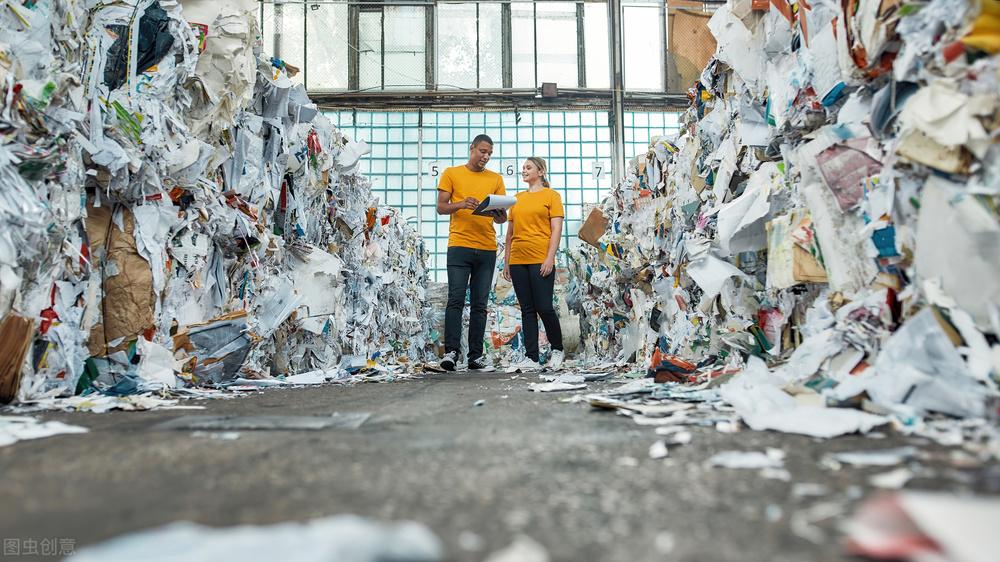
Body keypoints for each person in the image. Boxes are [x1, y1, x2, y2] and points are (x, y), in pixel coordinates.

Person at [436, 134, 508, 371]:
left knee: (480, 303)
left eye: (489, 154)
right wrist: (461, 204)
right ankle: (451, 353)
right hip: (459, 246)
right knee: (456, 300)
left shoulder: (495, 178)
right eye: (482, 151)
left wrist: (500, 215)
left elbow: (503, 218)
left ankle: (475, 356)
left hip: (487, 248)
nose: (485, 157)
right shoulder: (451, 173)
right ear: (472, 148)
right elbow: (441, 207)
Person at [502, 157, 565, 371]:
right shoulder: (516, 199)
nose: (524, 171)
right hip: (518, 259)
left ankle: (557, 349)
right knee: (527, 309)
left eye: (528, 167)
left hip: (540, 258)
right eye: (523, 168)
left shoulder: (552, 196)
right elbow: (509, 234)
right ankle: (532, 357)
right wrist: (506, 261)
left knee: (544, 307)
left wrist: (550, 257)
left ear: (541, 171)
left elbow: (556, 229)